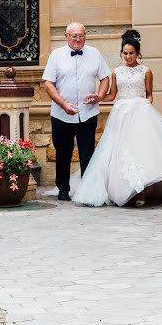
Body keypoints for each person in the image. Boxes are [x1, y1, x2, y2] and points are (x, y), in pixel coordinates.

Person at [71, 29, 162, 207]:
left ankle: (141, 191)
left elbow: (149, 95)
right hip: (121, 114)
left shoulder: (146, 71)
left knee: (140, 150)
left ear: (137, 53)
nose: (128, 57)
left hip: (140, 114)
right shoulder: (116, 72)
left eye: (131, 53)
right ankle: (124, 189)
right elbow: (112, 95)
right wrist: (98, 98)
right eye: (125, 53)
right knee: (118, 151)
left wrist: (144, 105)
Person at [42, 22, 111, 201]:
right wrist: (64, 105)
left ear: (85, 36)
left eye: (81, 35)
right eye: (74, 36)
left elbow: (105, 78)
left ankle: (88, 191)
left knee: (87, 152)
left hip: (88, 113)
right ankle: (63, 189)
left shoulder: (95, 53)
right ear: (66, 36)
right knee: (63, 152)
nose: (78, 39)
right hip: (61, 114)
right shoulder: (56, 55)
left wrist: (100, 96)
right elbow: (48, 84)